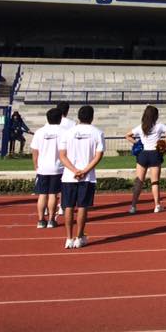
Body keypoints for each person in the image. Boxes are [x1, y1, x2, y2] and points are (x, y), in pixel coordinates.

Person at [57, 105, 104, 249]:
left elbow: (62, 155)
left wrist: (74, 170)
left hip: (69, 176)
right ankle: (79, 236)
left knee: (69, 206)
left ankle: (69, 237)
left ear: (78, 117)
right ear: (92, 117)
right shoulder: (97, 132)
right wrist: (84, 171)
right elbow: (98, 156)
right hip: (87, 176)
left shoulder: (68, 132)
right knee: (83, 206)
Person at [125, 105, 166, 214]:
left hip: (143, 154)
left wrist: (137, 143)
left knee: (139, 181)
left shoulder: (141, 127)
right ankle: (157, 205)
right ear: (155, 116)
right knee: (155, 182)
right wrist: (164, 143)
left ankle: (133, 206)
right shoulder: (159, 126)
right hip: (155, 154)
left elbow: (127, 135)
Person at [30, 108, 64, 229]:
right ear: (60, 118)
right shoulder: (63, 132)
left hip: (42, 168)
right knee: (53, 194)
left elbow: (34, 151)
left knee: (42, 195)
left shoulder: (39, 132)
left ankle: (40, 220)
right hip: (57, 168)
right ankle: (50, 219)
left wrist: (36, 166)